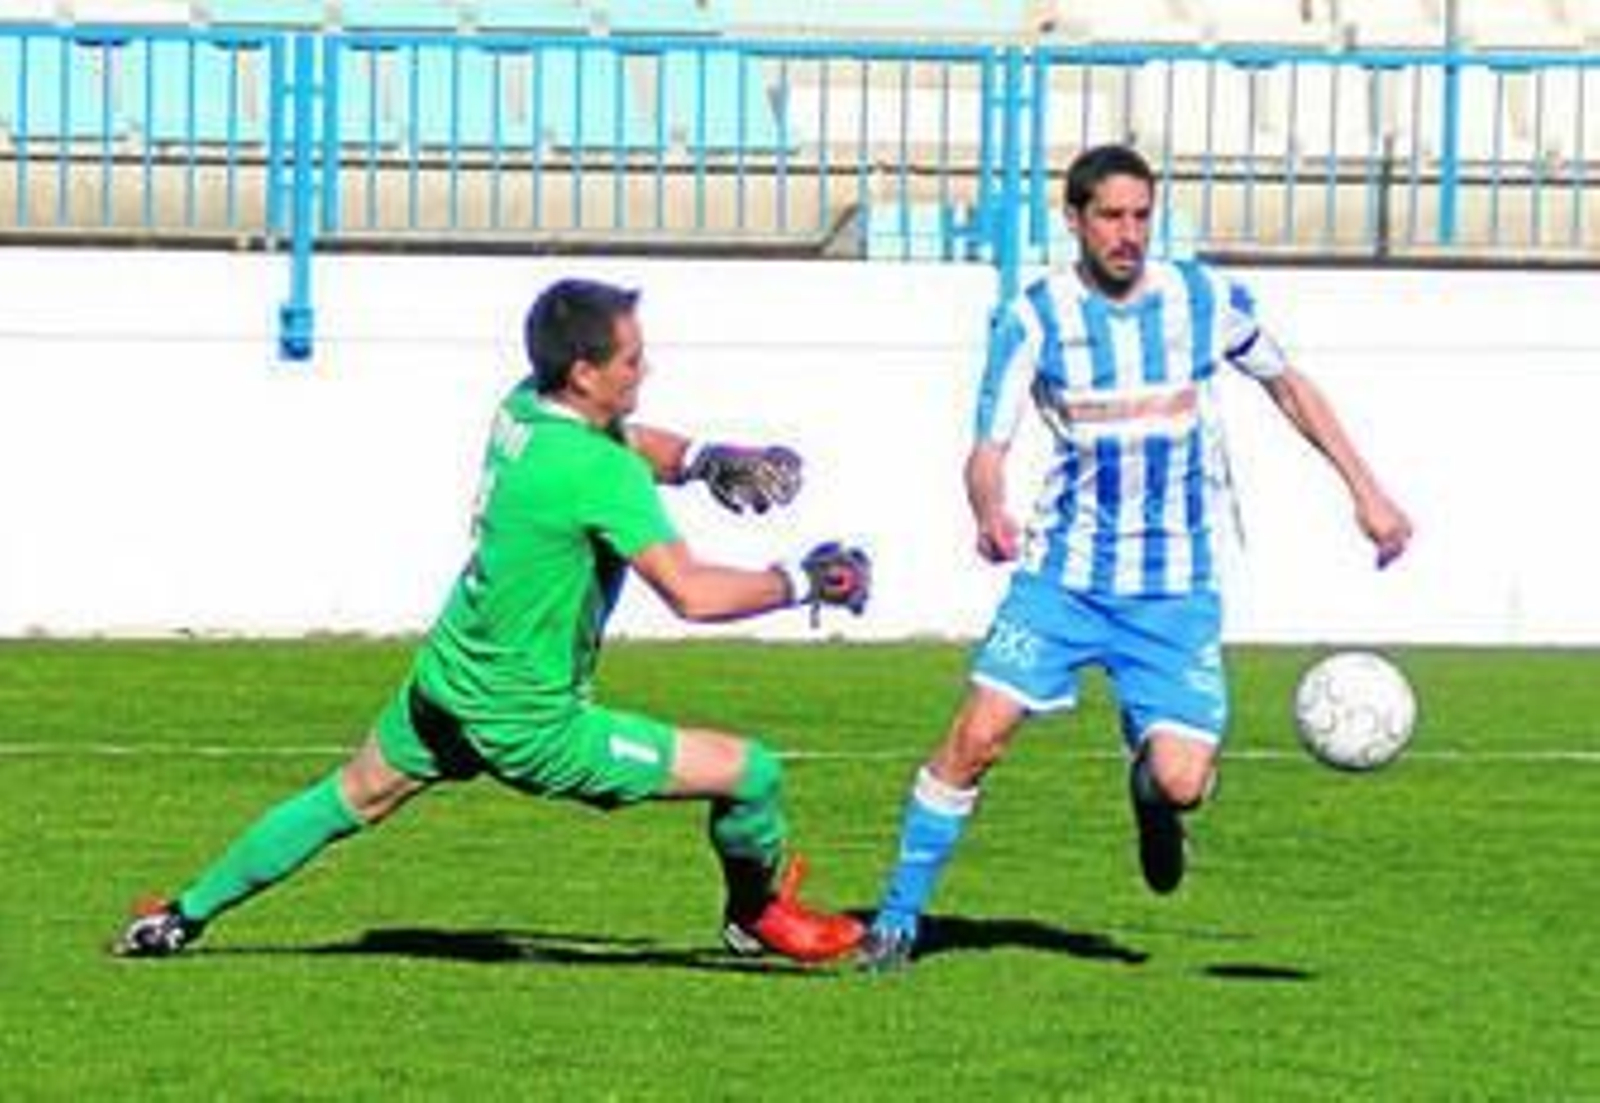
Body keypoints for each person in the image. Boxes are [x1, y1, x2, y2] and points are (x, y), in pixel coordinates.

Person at [115, 277, 872, 965]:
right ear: (585, 372)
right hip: (530, 720)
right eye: (634, 360)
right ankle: (756, 912)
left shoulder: (523, 408)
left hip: (449, 677)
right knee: (751, 773)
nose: (647, 370)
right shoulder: (594, 473)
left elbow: (633, 442)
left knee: (347, 796)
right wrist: (800, 580)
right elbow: (692, 592)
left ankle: (178, 916)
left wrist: (705, 458)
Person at [858, 144, 1414, 971]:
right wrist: (990, 510)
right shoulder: (1036, 317)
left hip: (1174, 590)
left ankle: (1153, 801)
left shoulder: (1202, 296)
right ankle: (897, 919)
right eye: (1111, 217)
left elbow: (1288, 385)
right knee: (977, 736)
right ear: (1075, 219)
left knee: (1183, 779)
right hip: (1066, 577)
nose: (1128, 234)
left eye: (1141, 216)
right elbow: (985, 448)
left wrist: (1367, 491)